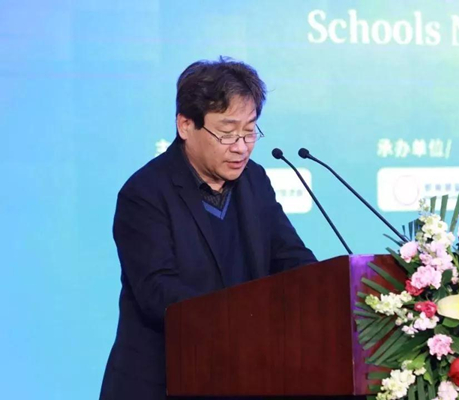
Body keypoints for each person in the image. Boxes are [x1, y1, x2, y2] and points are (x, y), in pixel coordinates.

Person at [100, 57, 317, 400]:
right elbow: (157, 291)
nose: (241, 146)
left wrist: (324, 291)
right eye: (227, 133)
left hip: (244, 374)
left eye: (250, 131)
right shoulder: (145, 193)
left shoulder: (254, 179)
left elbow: (289, 257)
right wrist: (243, 320)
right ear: (186, 125)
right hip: (165, 380)